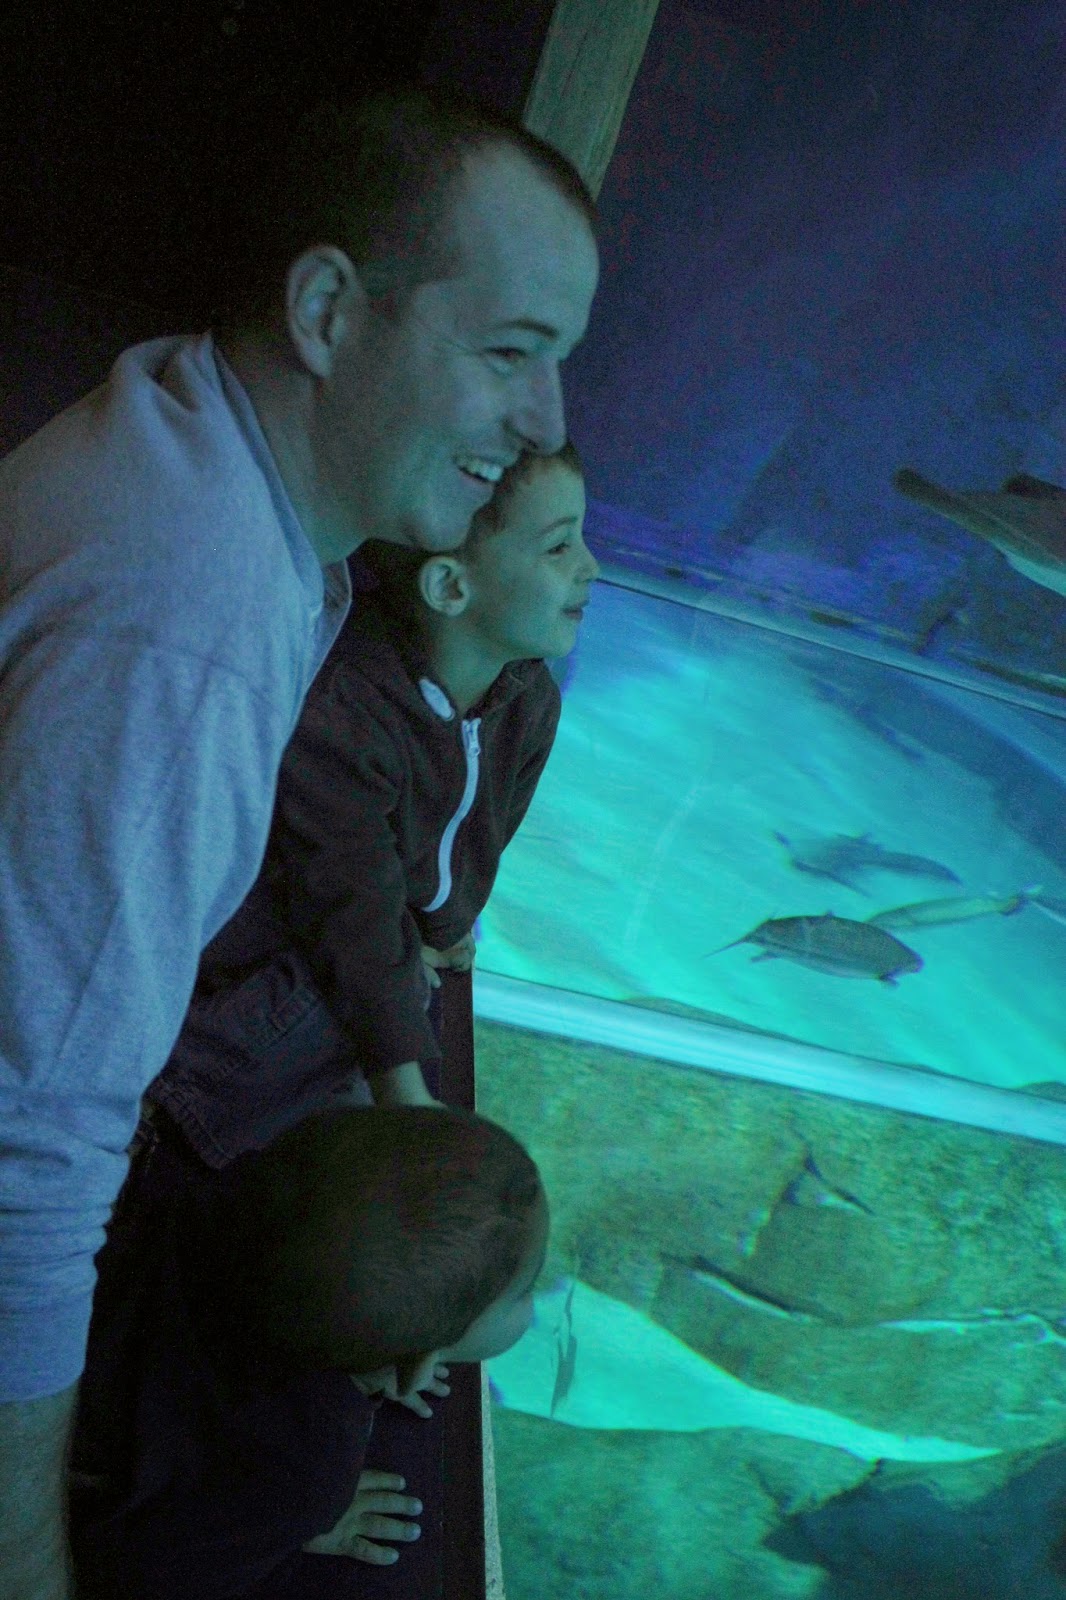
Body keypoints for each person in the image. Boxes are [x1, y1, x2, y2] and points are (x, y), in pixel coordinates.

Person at [0, 84, 598, 1599]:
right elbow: (27, 1161)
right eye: (510, 352)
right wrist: (28, 1564)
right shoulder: (186, 629)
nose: (547, 420)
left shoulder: (193, 441)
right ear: (328, 309)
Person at [149, 440, 598, 1167]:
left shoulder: (529, 701)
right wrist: (405, 1096)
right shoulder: (345, 709)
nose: (590, 566)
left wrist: (441, 937)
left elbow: (476, 848)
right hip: (283, 985)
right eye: (558, 547)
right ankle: (164, 1137)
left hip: (407, 961)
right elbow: (350, 904)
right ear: (450, 586)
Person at [69, 1101, 548, 1599]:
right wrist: (290, 1526)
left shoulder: (205, 1195)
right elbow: (153, 1577)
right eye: (526, 1289)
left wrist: (381, 1354)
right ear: (415, 1367)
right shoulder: (305, 1473)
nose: (533, 1302)